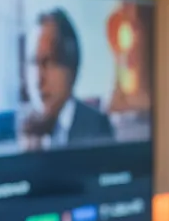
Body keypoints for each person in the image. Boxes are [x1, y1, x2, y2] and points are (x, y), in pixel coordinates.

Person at [26, 9, 114, 147]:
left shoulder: (96, 126)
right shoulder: (27, 130)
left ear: (71, 66)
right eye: (33, 62)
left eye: (48, 62)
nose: (38, 79)